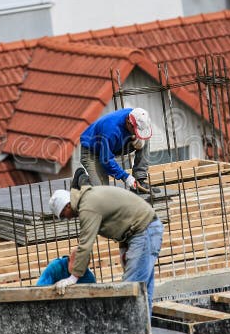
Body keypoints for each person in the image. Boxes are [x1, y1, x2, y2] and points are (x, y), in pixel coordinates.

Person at [48, 169, 163, 315]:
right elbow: (122, 218)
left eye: (64, 215)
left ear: (67, 206)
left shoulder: (87, 206)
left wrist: (73, 277)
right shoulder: (88, 198)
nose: (68, 219)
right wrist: (124, 248)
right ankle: (144, 327)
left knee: (130, 291)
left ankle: (128, 328)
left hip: (144, 231)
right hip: (144, 230)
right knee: (143, 291)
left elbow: (85, 244)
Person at [80, 107, 155, 191]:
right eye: (135, 130)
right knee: (101, 191)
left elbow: (138, 132)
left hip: (115, 144)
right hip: (93, 151)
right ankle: (82, 179)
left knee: (144, 138)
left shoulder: (136, 115)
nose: (136, 132)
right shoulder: (111, 130)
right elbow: (106, 160)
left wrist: (136, 137)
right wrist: (126, 177)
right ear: (128, 122)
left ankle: (139, 179)